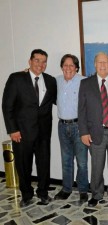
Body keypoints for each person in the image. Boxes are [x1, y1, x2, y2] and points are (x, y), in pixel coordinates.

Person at [2, 49, 57, 207]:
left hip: (44, 132)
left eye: (44, 61)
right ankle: (26, 195)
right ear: (30, 61)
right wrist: (12, 130)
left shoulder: (51, 81)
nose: (41, 64)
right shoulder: (16, 78)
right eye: (37, 60)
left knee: (44, 164)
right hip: (22, 132)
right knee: (23, 165)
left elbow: (58, 100)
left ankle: (43, 193)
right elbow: (7, 106)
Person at [78, 52, 108, 209]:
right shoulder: (85, 84)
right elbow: (81, 110)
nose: (103, 65)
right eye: (99, 62)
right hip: (95, 133)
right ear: (95, 64)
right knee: (96, 167)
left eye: (106, 62)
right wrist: (83, 132)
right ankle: (96, 195)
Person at [54, 54, 89, 204]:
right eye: (65, 65)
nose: (68, 68)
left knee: (82, 162)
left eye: (71, 65)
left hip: (79, 126)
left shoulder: (84, 81)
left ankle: (83, 190)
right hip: (62, 126)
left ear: (76, 68)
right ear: (62, 67)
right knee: (66, 160)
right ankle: (66, 189)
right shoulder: (56, 81)